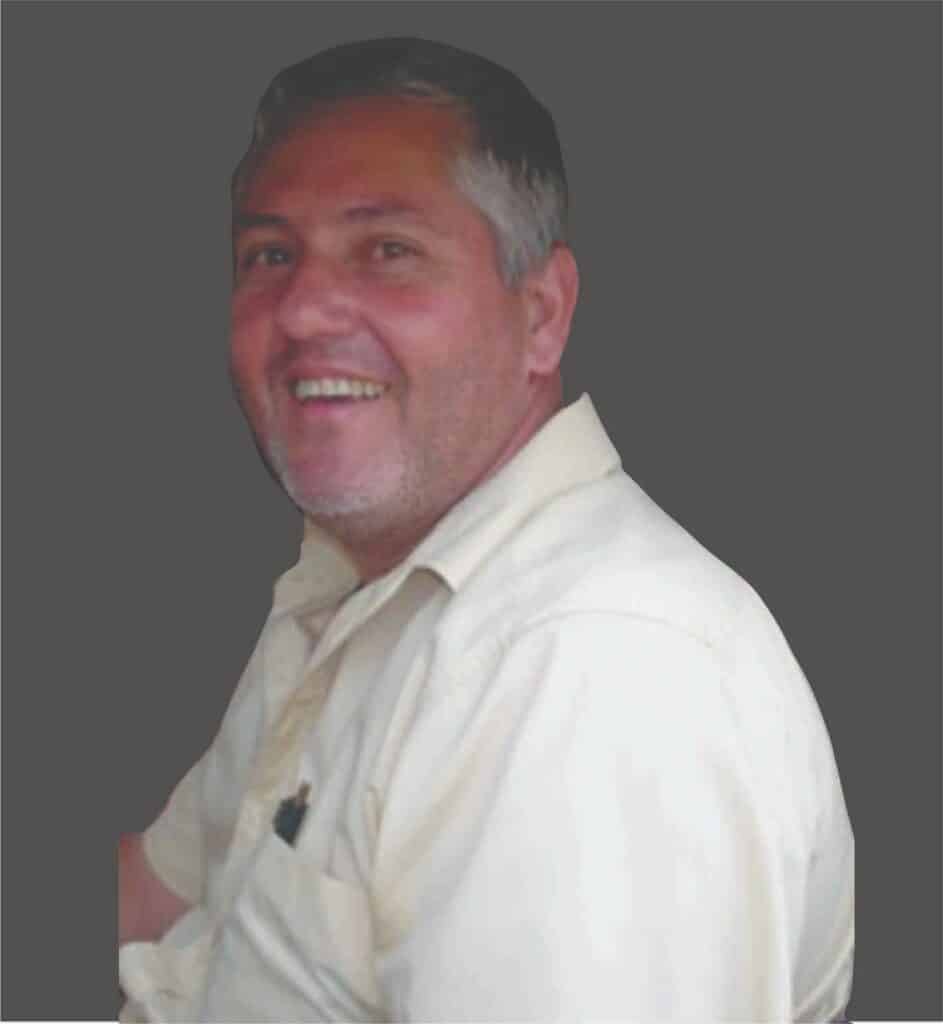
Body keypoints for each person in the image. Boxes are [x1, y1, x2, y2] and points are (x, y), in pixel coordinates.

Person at [118, 37, 854, 1021]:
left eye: (388, 250)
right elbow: (156, 894)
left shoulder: (589, 673)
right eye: (271, 255)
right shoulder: (361, 585)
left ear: (541, 316)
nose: (302, 311)